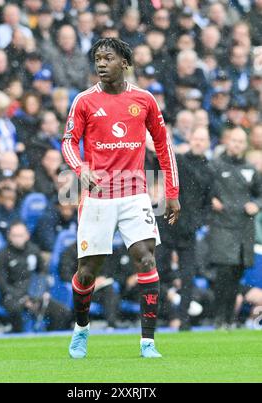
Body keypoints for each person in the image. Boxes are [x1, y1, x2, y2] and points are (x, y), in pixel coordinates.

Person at [62, 38, 180, 359]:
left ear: (124, 63)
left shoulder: (143, 99)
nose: (101, 63)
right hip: (98, 197)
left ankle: (147, 343)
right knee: (88, 272)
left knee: (146, 258)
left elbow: (164, 145)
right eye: (98, 58)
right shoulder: (84, 101)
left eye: (108, 58)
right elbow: (69, 142)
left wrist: (171, 192)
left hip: (135, 195)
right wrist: (79, 167)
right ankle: (82, 329)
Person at [156, 127, 213, 330]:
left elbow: (208, 204)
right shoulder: (178, 160)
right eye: (196, 138)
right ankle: (156, 315)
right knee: (157, 273)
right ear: (190, 139)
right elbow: (159, 163)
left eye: (202, 139)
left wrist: (198, 222)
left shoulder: (209, 170)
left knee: (187, 276)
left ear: (207, 143)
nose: (198, 142)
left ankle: (184, 321)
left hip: (188, 230)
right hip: (166, 225)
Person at [209, 127, 262, 328]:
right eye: (234, 141)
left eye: (241, 142)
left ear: (245, 145)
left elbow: (260, 194)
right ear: (227, 141)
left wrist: (256, 205)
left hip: (243, 228)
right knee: (223, 273)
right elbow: (204, 189)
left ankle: (229, 319)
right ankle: (219, 318)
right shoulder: (215, 166)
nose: (237, 144)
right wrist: (211, 199)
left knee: (237, 274)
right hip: (222, 226)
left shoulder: (251, 169)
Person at [0, 222, 72, 333]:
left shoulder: (34, 250)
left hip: (35, 295)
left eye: (20, 235)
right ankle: (17, 340)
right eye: (14, 235)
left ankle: (52, 340)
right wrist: (22, 298)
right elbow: (1, 283)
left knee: (63, 313)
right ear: (9, 236)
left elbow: (43, 274)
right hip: (12, 297)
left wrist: (41, 293)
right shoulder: (2, 255)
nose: (17, 239)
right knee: (16, 311)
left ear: (27, 236)